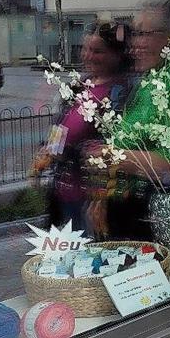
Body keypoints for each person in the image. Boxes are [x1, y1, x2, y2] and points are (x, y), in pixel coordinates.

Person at [86, 0, 170, 241]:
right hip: (126, 211)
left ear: (169, 38)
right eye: (133, 34)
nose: (133, 45)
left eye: (142, 34)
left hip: (155, 215)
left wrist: (114, 157)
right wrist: (102, 196)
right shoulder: (145, 83)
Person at [32, 21, 130, 235]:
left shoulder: (120, 93)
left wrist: (66, 152)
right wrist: (48, 149)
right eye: (85, 49)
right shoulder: (80, 84)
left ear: (116, 55)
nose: (87, 55)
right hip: (65, 195)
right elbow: (61, 126)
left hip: (93, 202)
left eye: (97, 51)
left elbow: (109, 148)